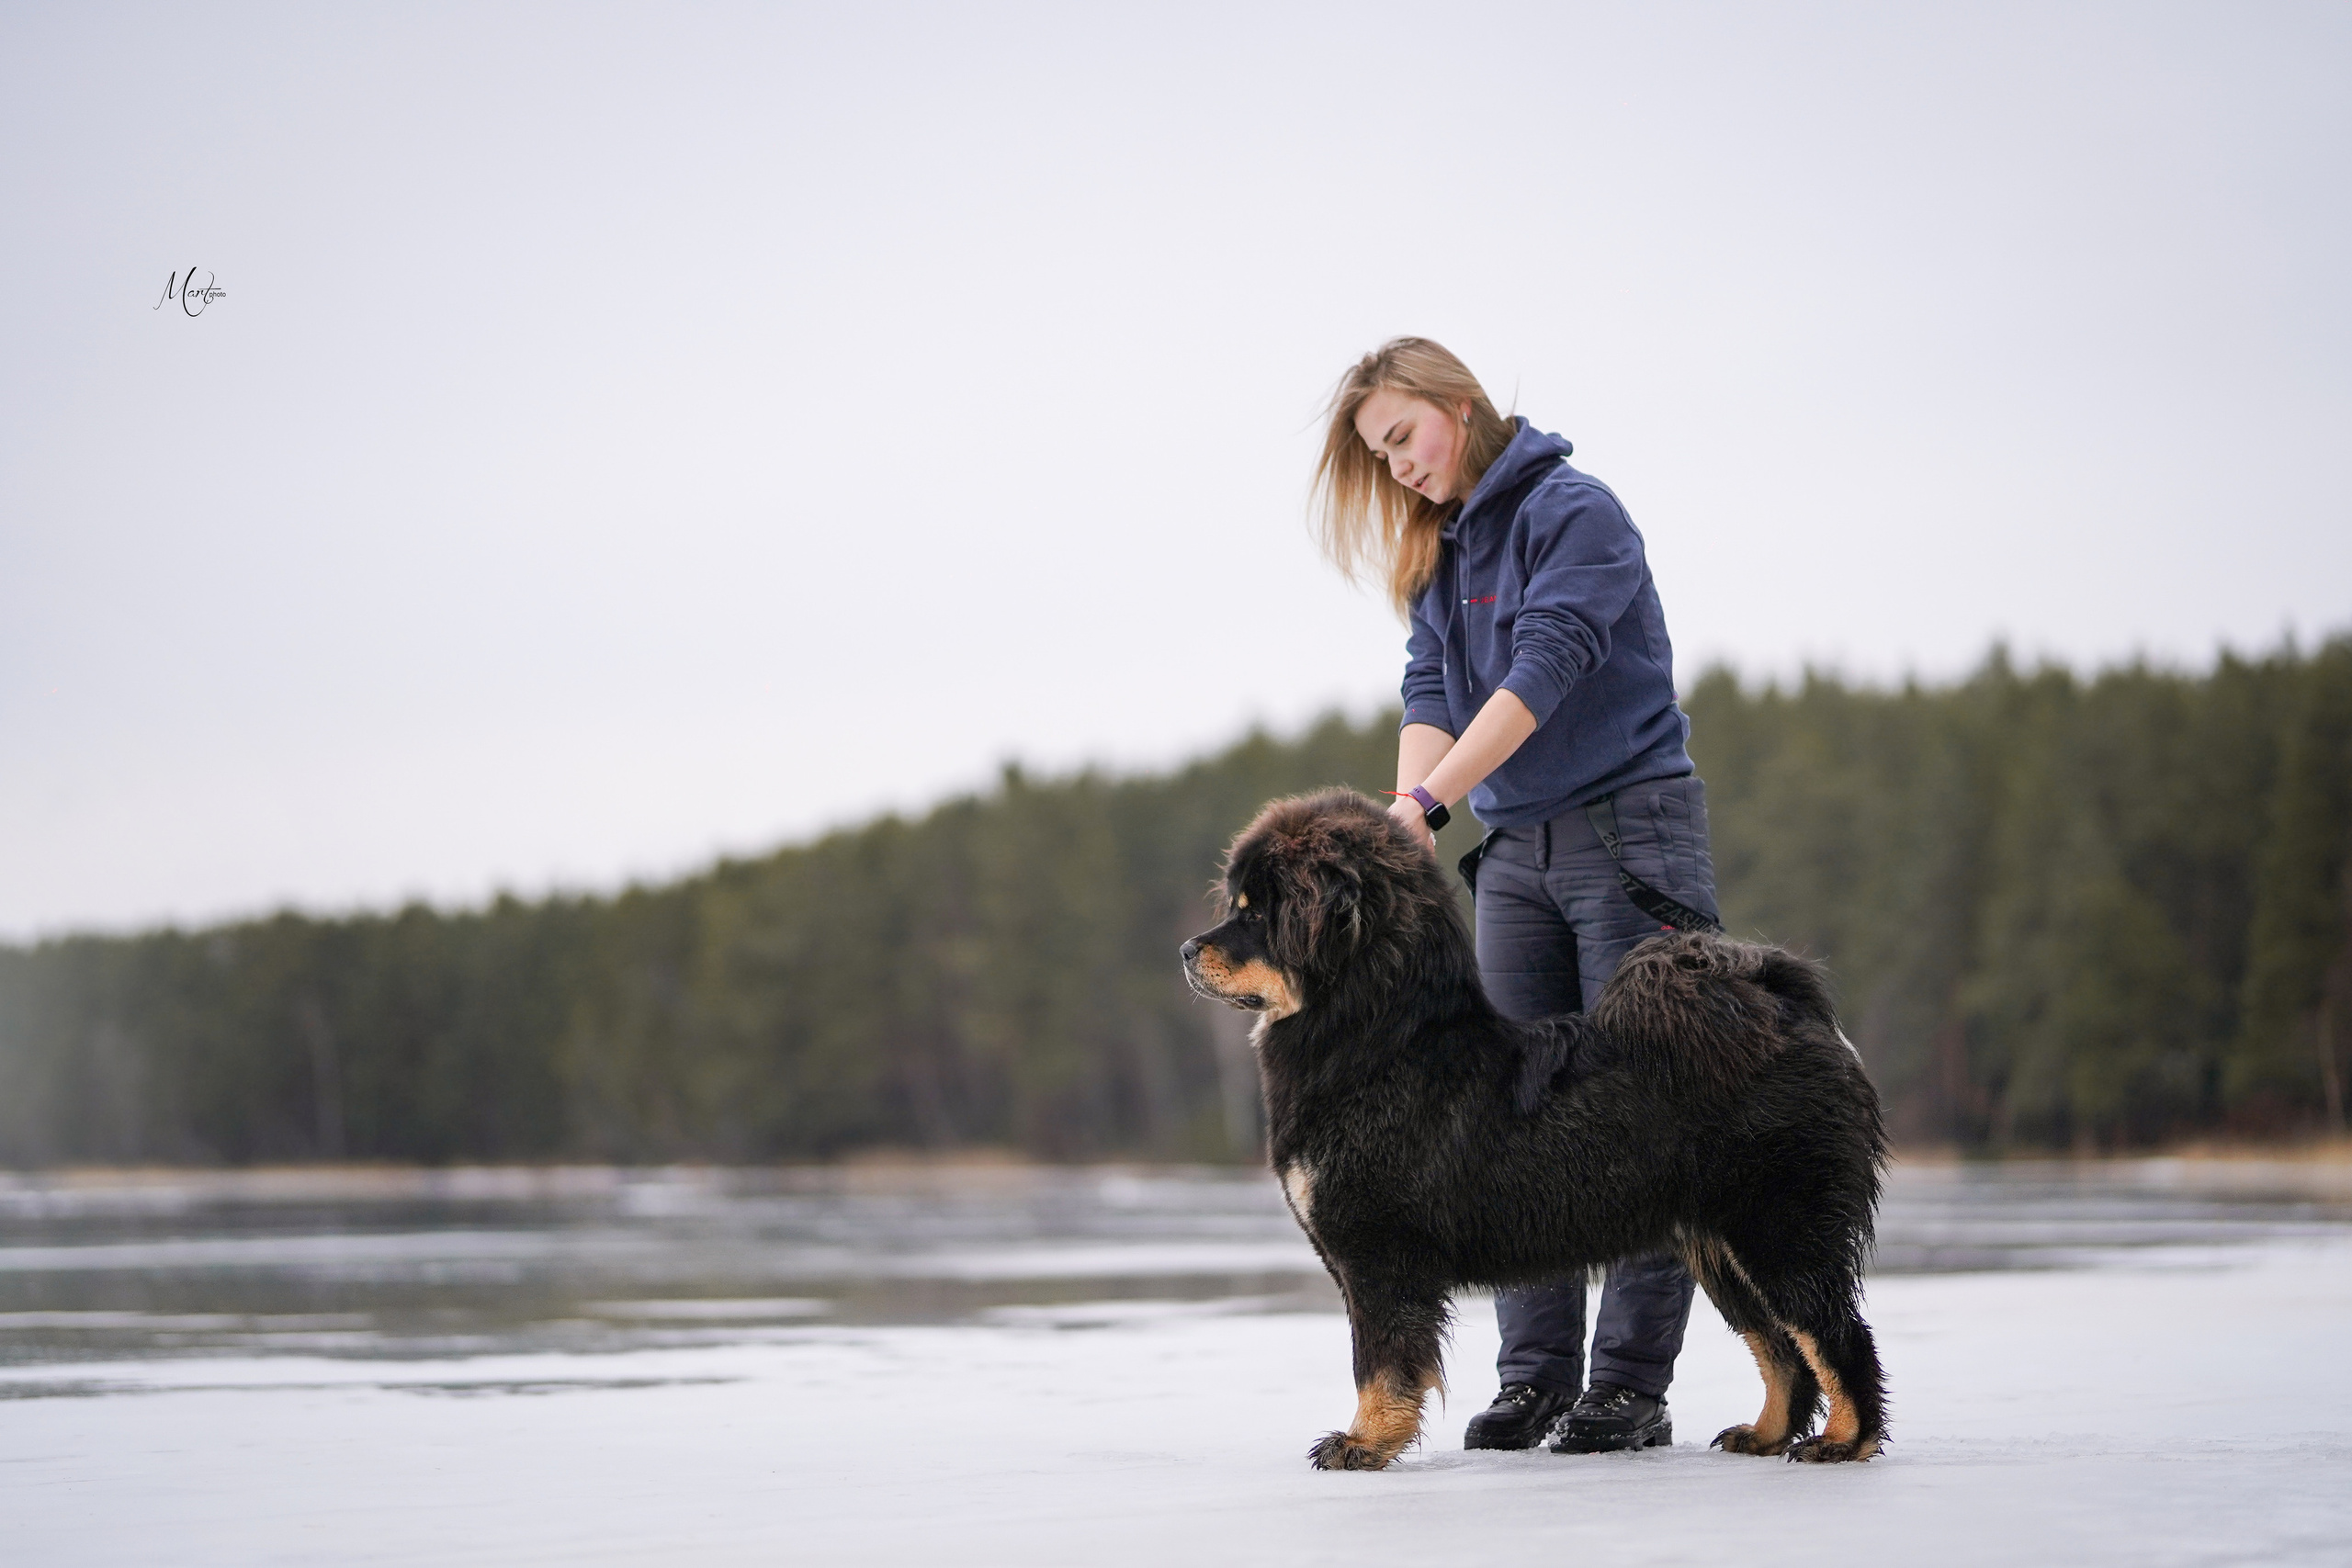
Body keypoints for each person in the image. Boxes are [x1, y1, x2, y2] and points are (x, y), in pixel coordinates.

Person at [1310, 336, 1723, 1455]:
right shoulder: (1443, 551)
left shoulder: (1574, 511)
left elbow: (1545, 664)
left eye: (1402, 436)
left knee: (1648, 1106)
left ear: (1459, 403)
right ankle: (1534, 1377)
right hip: (1518, 853)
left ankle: (1628, 1386)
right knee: (1503, 1117)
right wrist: (1409, 811)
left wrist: (1431, 802)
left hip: (1628, 834)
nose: (1394, 465)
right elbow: (1433, 683)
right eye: (1376, 453)